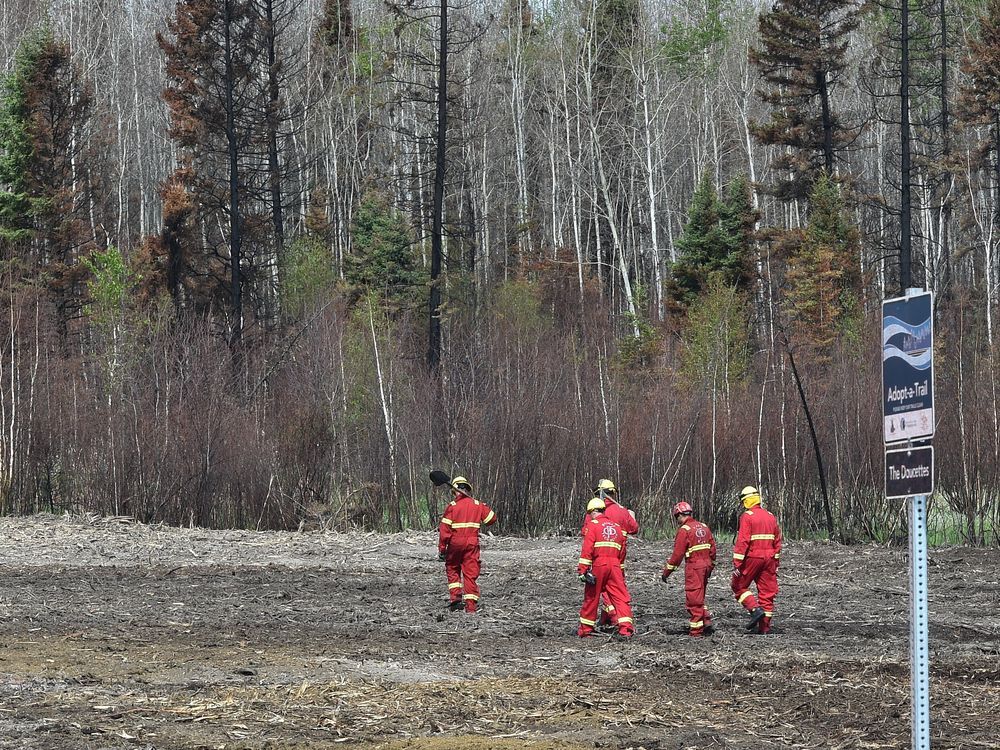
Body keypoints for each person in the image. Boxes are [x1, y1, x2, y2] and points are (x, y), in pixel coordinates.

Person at [580, 479, 638, 628]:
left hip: (600, 560)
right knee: (618, 591)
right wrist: (630, 515)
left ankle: (611, 618)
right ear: (613, 493)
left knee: (596, 593)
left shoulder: (593, 516)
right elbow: (634, 528)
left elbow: (586, 536)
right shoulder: (622, 511)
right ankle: (620, 624)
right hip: (618, 560)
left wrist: (583, 569)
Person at [437, 476, 497, 613]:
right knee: (470, 573)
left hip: (455, 544)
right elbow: (492, 519)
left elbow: (444, 531)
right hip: (472, 544)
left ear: (455, 491)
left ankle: (456, 600)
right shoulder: (477, 505)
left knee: (452, 568)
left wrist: (442, 549)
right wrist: (483, 507)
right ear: (467, 489)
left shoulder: (452, 507)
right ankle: (471, 608)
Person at [730, 485, 782, 634]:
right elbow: (777, 541)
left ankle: (754, 610)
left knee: (738, 585)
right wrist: (775, 562)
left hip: (753, 557)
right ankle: (764, 628)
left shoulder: (747, 516)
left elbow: (743, 541)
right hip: (770, 559)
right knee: (767, 593)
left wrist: (737, 563)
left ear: (746, 501)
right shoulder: (771, 516)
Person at [660, 501, 717, 636]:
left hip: (694, 567)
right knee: (700, 595)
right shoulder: (704, 527)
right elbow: (713, 550)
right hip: (706, 566)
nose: (677, 520)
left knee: (694, 599)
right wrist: (711, 567)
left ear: (680, 515)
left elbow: (677, 555)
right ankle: (706, 621)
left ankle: (696, 631)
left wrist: (666, 572)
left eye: (676, 517)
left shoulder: (684, 530)